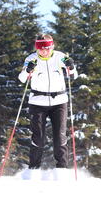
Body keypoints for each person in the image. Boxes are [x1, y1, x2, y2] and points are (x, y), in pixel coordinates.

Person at [18, 34, 77, 177]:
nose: (44, 51)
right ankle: (33, 170)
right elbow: (21, 79)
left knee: (60, 136)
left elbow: (74, 76)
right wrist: (27, 70)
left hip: (59, 101)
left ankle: (61, 171)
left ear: (52, 46)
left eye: (47, 48)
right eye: (40, 48)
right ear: (36, 47)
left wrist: (71, 66)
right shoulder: (31, 59)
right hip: (38, 101)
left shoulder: (60, 57)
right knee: (38, 137)